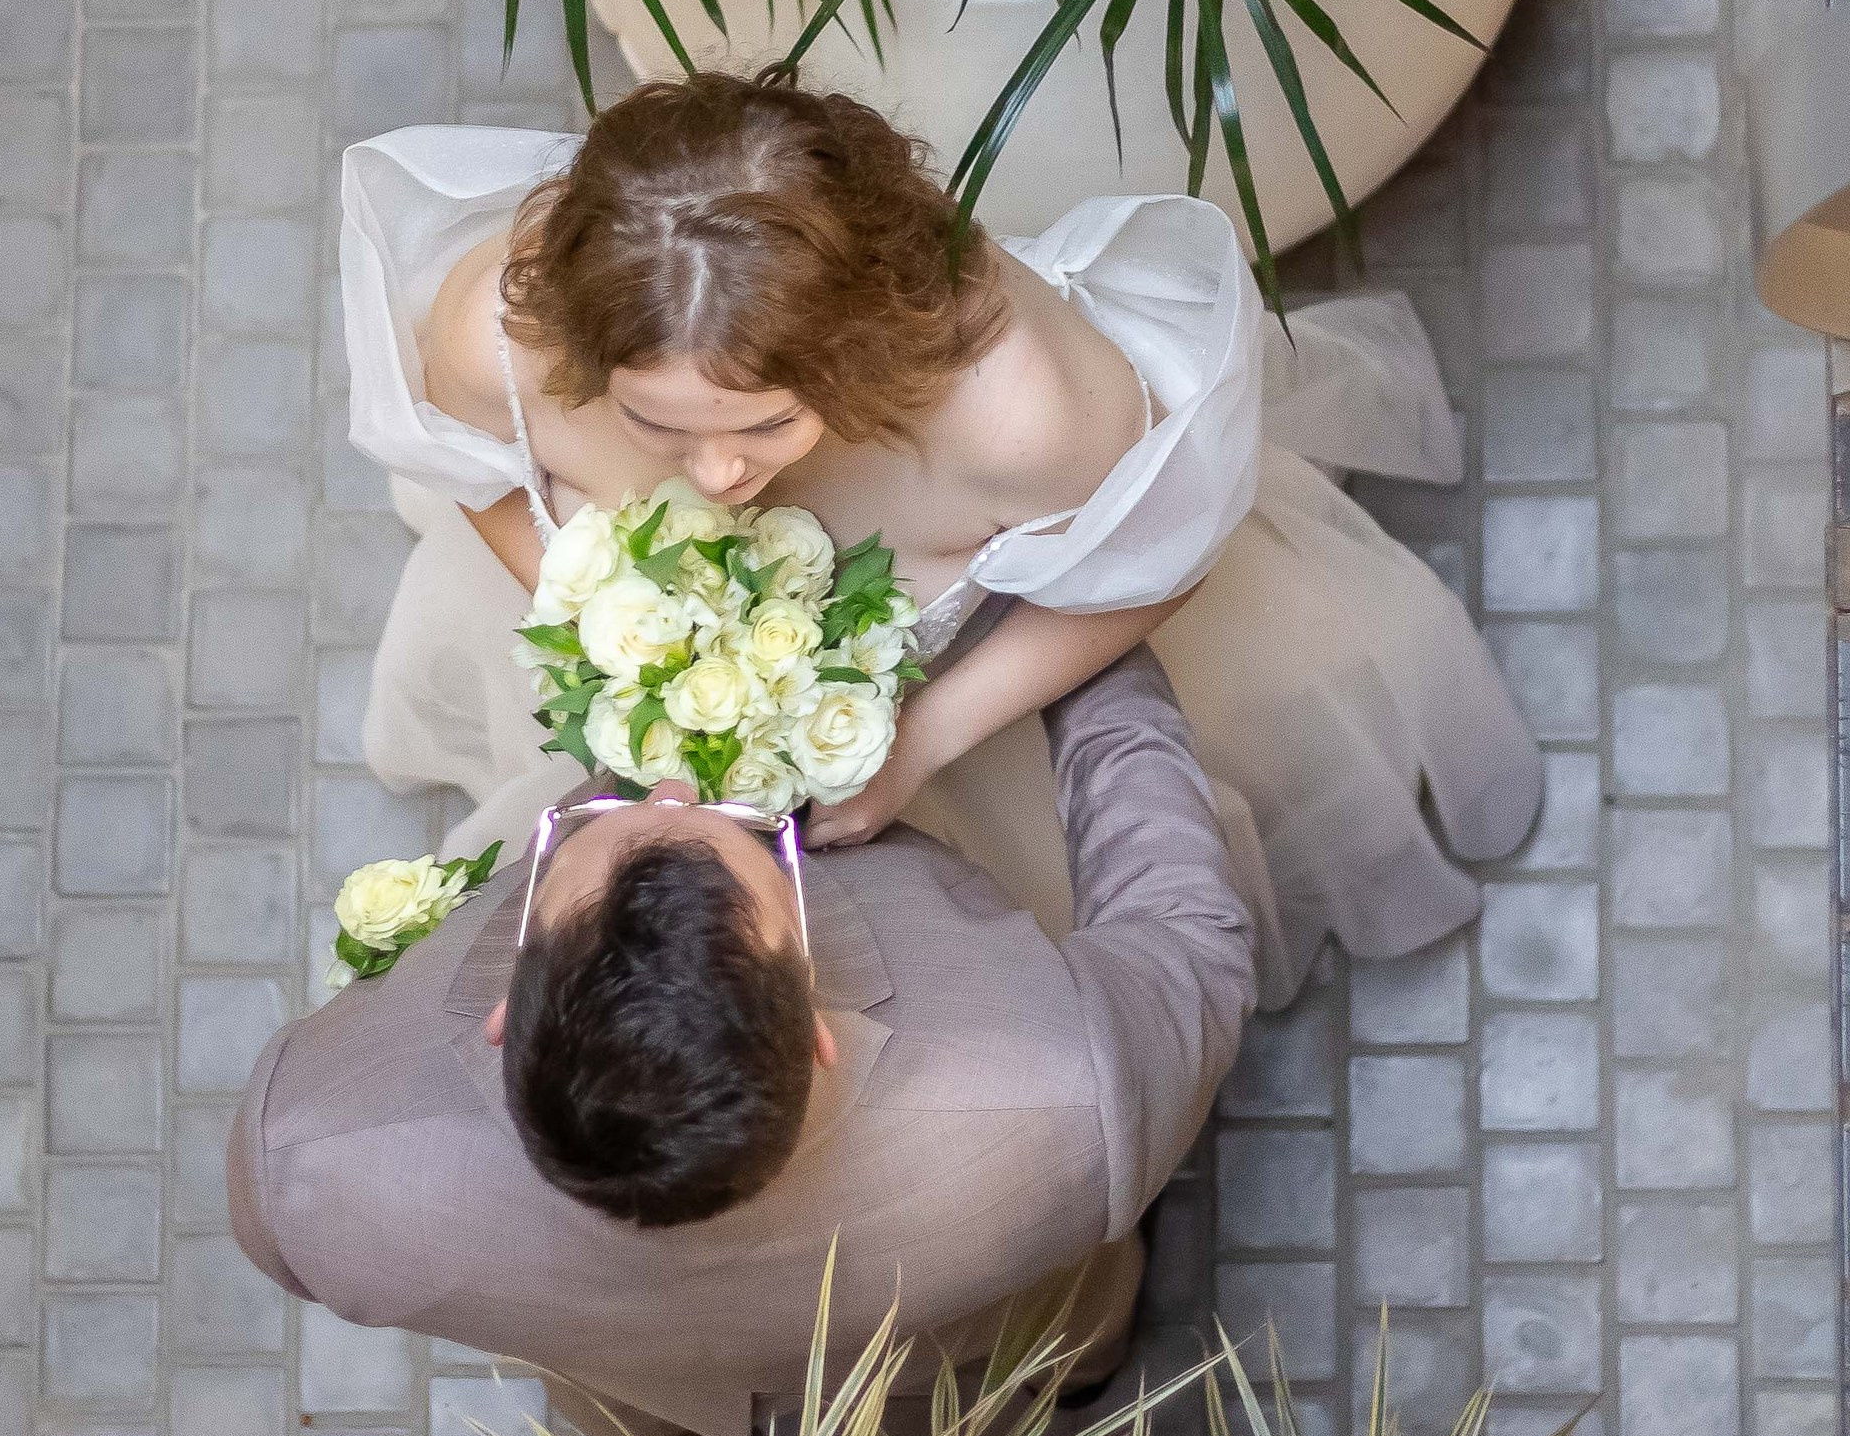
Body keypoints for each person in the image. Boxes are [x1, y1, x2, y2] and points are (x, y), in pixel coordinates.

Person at [341, 75, 1543, 1008]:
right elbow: (475, 472)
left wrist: (919, 742)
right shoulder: (492, 333)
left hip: (973, 723)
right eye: (657, 427)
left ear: (856, 343)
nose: (713, 477)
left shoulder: (1030, 417)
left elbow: (1153, 568)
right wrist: (599, 630)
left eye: (765, 426)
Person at [226, 651, 1257, 1436]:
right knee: (1045, 1337)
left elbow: (282, 1254)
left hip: (625, 1375)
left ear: (506, 1010)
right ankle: (1081, 1377)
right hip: (949, 1331)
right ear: (815, 1027)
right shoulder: (1068, 1094)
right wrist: (1089, 629)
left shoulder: (302, 1155)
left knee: (641, 1430)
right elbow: (1185, 930)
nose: (673, 787)